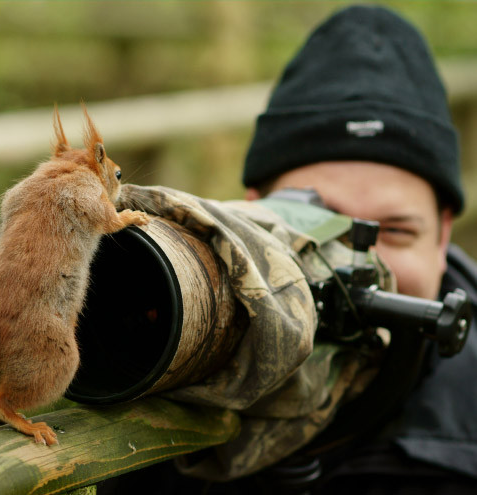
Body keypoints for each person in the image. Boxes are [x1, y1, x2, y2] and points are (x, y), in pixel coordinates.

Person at [100, 5, 477, 493]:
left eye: (395, 231)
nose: (355, 261)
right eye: (315, 220)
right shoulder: (146, 384)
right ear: (254, 213)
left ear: (444, 236)